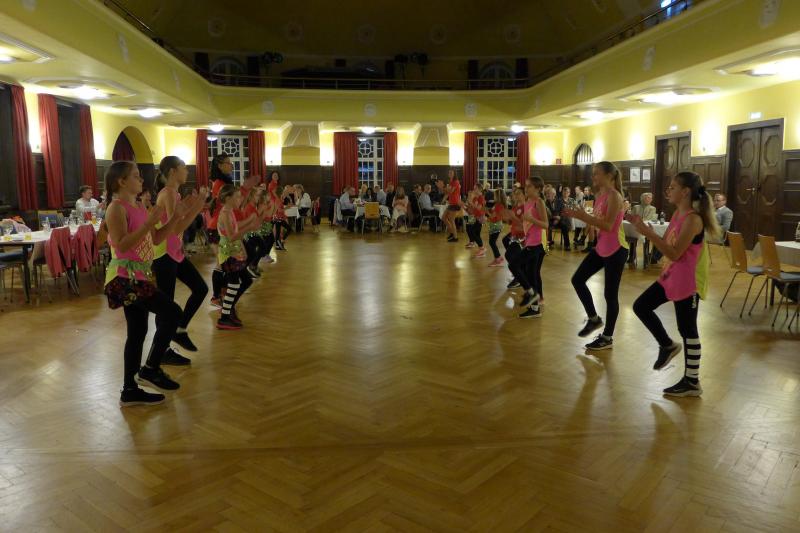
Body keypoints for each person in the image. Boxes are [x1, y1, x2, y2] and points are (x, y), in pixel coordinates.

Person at [103, 161, 202, 407]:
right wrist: (149, 223)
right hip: (124, 277)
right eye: (136, 176)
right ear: (121, 181)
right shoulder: (116, 208)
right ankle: (150, 369)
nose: (141, 180)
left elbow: (156, 238)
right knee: (173, 313)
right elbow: (121, 245)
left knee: (138, 332)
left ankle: (129, 389)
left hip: (137, 276)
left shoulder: (139, 205)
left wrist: (175, 217)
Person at [632, 172, 720, 397]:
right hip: (671, 275)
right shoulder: (678, 214)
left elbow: (675, 252)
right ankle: (667, 345)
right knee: (641, 306)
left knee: (687, 329)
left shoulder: (693, 219)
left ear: (686, 192)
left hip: (688, 282)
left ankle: (692, 381)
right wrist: (650, 233)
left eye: (672, 187)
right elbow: (669, 247)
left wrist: (648, 233)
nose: (668, 191)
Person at [564, 161, 629, 351]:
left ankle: (607, 337)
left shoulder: (615, 196)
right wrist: (585, 218)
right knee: (577, 279)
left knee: (610, 295)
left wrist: (584, 217)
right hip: (601, 247)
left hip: (616, 249)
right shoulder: (600, 195)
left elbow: (608, 226)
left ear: (609, 176)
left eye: (596, 173)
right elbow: (598, 222)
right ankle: (593, 319)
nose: (593, 177)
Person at [149, 156, 208, 367]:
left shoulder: (173, 193)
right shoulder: (168, 193)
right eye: (184, 167)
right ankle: (161, 351)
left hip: (174, 252)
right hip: (164, 254)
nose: (187, 171)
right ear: (173, 171)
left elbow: (177, 226)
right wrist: (199, 204)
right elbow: (176, 227)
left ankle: (179, 329)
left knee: (200, 288)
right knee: (166, 305)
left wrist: (194, 203)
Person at [216, 184, 259, 330]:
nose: (240, 199)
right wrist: (249, 227)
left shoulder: (230, 212)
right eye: (237, 197)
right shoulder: (225, 214)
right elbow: (231, 236)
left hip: (234, 253)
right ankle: (224, 317)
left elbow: (236, 231)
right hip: (227, 254)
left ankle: (228, 307)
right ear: (228, 198)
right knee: (234, 284)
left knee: (246, 280)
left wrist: (243, 249)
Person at [514, 178, 548, 318]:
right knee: (531, 274)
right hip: (530, 242)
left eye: (529, 186)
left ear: (538, 189)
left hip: (537, 244)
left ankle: (532, 295)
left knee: (515, 265)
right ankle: (535, 307)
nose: (526, 189)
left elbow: (545, 224)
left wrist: (531, 219)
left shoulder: (539, 202)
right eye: (526, 186)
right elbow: (527, 223)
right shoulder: (528, 202)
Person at [208, 153, 234, 307]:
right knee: (220, 262)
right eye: (228, 163)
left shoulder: (223, 182)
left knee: (224, 262)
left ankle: (223, 293)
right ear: (220, 166)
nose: (231, 165)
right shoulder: (219, 183)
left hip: (221, 226)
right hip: (216, 227)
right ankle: (215, 297)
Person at [504, 188, 527, 288]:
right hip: (514, 235)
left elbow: (525, 225)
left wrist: (513, 218)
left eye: (519, 194)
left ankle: (519, 278)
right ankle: (519, 274)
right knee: (511, 256)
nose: (516, 196)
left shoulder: (526, 207)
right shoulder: (516, 206)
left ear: (524, 195)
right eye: (515, 194)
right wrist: (507, 218)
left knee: (510, 256)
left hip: (522, 237)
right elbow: (511, 222)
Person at [466, 183, 487, 257]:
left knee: (474, 232)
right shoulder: (475, 198)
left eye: (475, 188)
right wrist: (468, 204)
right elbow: (472, 209)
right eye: (474, 188)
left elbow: (479, 208)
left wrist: (471, 202)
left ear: (479, 189)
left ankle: (482, 248)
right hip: (476, 217)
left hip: (480, 218)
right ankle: (481, 249)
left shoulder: (481, 197)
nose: (474, 190)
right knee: (476, 233)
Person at [487, 189, 506, 267]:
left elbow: (492, 216)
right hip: (495, 225)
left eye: (494, 195)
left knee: (492, 242)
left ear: (498, 196)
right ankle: (498, 257)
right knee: (492, 242)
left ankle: (498, 258)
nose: (493, 197)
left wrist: (486, 212)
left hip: (496, 226)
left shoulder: (499, 205)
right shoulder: (498, 204)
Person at [553, 186, 574, 250]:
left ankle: (576, 240)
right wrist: (558, 218)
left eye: (567, 192)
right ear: (562, 193)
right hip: (560, 219)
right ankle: (567, 245)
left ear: (569, 193)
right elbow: (556, 211)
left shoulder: (571, 200)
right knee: (565, 226)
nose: (565, 194)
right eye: (564, 192)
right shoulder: (559, 201)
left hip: (569, 218)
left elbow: (574, 209)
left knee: (571, 222)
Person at [443, 169, 462, 242]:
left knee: (451, 219)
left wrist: (443, 187)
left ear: (454, 174)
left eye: (451, 173)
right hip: (451, 203)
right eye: (449, 172)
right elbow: (448, 193)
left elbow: (450, 191)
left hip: (455, 203)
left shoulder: (456, 182)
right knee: (444, 217)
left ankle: (455, 237)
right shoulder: (451, 182)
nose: (449, 173)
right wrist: (444, 199)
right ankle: (452, 233)